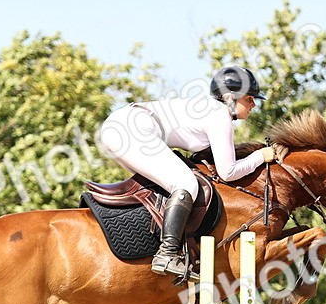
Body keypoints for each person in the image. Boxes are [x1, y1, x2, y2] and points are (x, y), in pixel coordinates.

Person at [98, 66, 276, 279]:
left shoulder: (210, 110)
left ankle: (150, 244)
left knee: (165, 187)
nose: (253, 104)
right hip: (133, 130)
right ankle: (167, 254)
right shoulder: (219, 115)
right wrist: (260, 156)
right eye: (249, 98)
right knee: (186, 184)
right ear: (231, 97)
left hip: (121, 127)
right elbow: (228, 172)